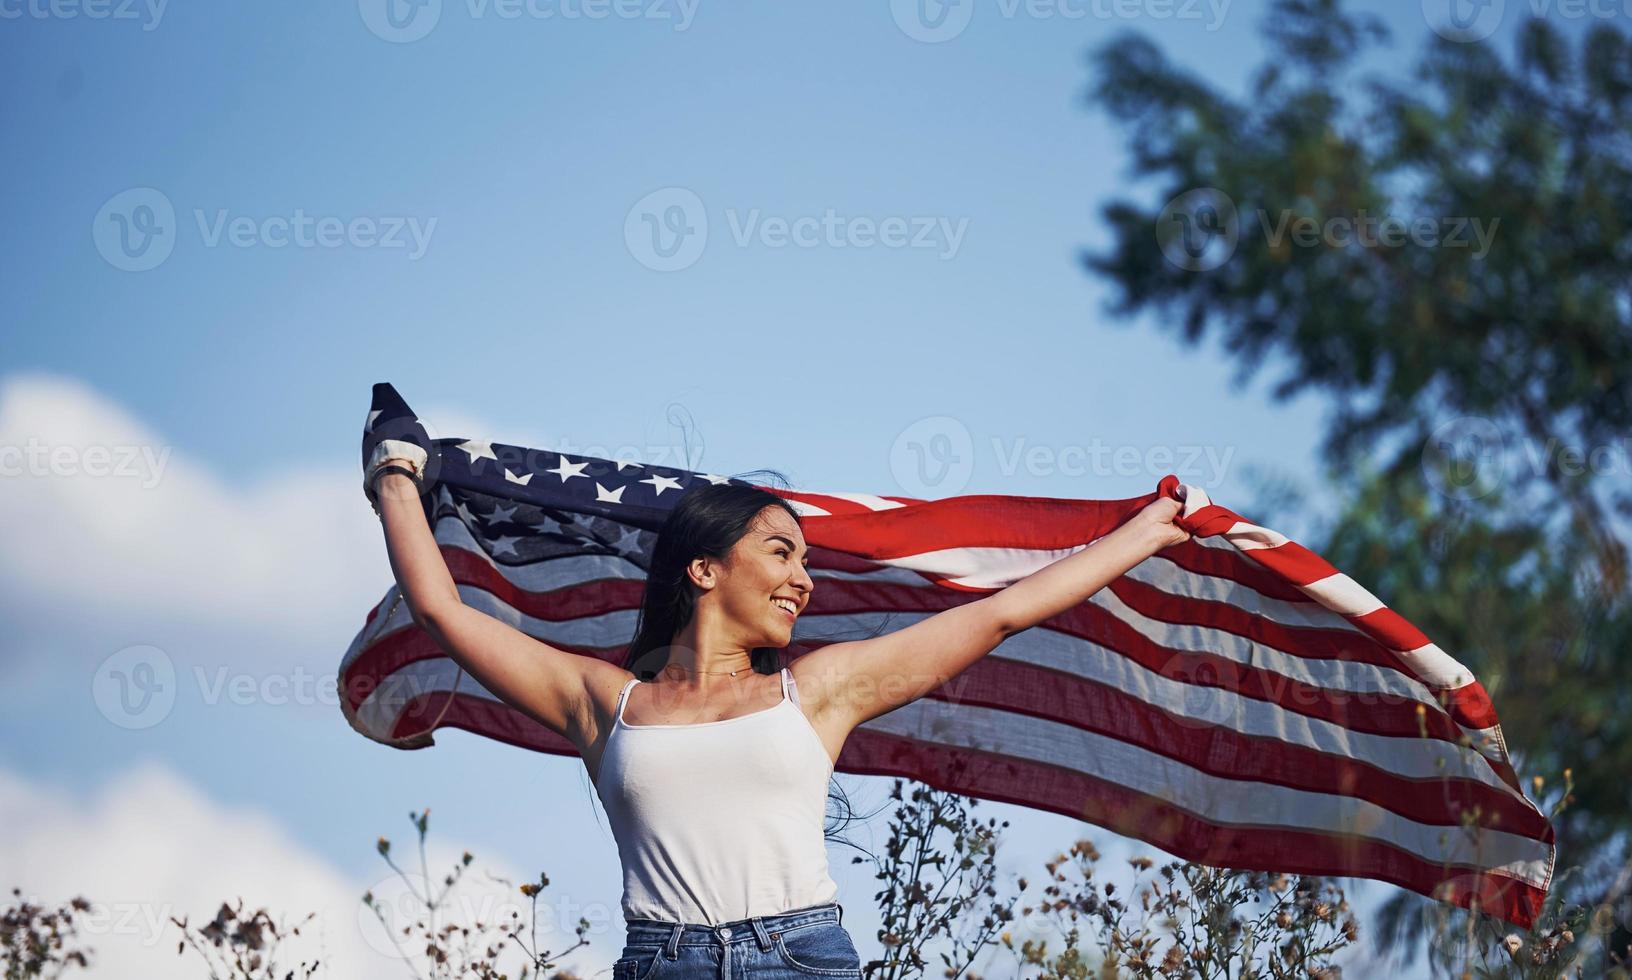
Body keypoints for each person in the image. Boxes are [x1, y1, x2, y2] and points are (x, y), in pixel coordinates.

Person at [368, 455, 1189, 978]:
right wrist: (396, 477)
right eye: (781, 552)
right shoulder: (602, 703)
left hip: (801, 958)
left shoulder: (821, 691)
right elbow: (443, 609)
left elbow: (999, 615)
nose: (805, 580)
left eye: (806, 559)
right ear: (704, 568)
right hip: (663, 961)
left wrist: (1144, 534)